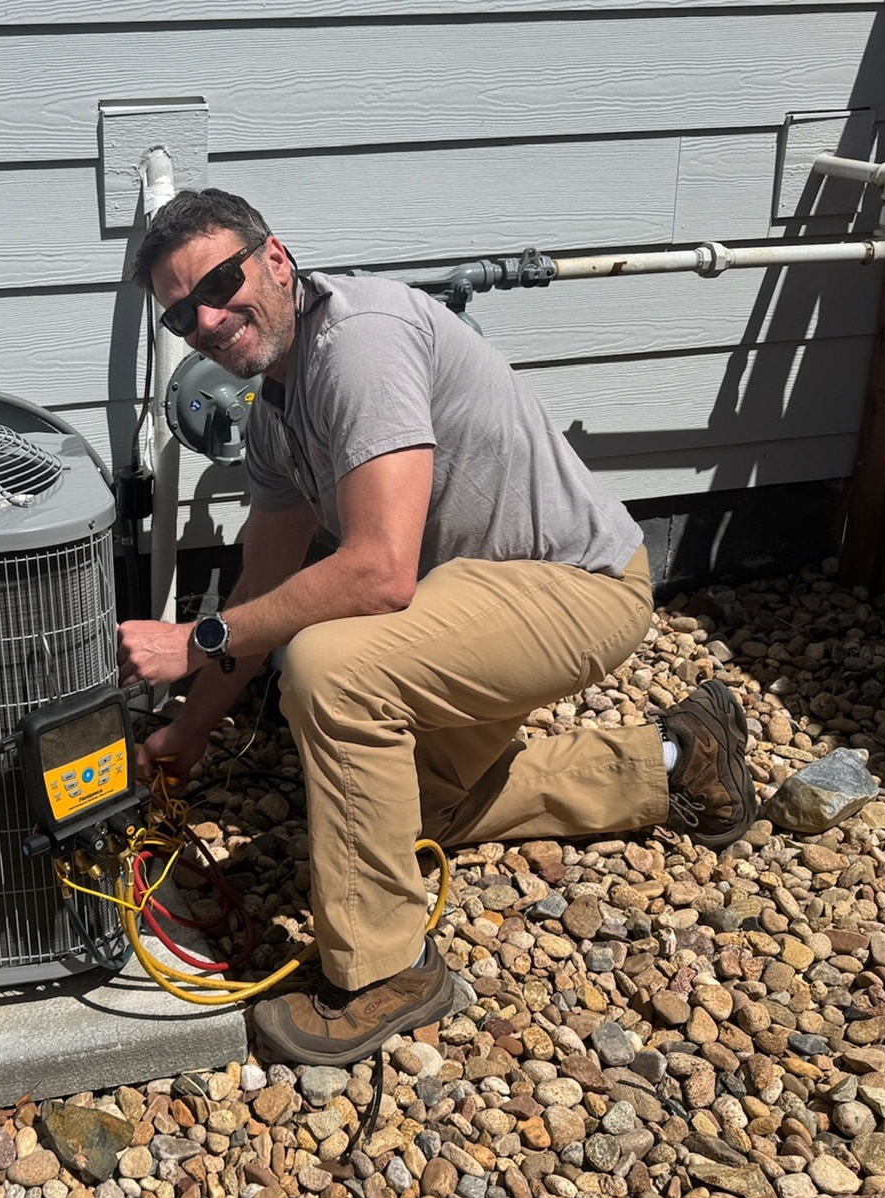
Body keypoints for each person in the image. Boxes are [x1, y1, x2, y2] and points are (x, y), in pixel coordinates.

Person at [115, 188, 758, 1067]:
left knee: (329, 667)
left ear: (275, 260)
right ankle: (677, 758)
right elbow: (259, 590)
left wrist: (192, 644)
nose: (207, 319)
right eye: (181, 313)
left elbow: (378, 572)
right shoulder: (272, 415)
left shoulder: (357, 342)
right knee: (413, 812)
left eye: (219, 283)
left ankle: (387, 969)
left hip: (578, 588)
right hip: (473, 598)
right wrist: (188, 732)